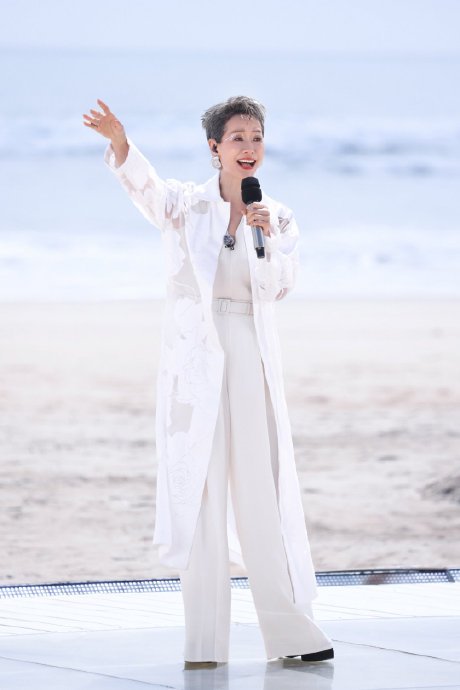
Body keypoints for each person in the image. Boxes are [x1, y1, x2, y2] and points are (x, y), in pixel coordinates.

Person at [82, 96, 334, 665]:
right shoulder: (185, 204)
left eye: (257, 137)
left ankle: (291, 636)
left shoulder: (277, 216)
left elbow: (278, 287)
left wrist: (265, 240)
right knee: (199, 491)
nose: (249, 148)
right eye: (237, 137)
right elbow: (145, 189)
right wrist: (121, 142)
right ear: (215, 147)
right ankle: (204, 645)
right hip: (195, 358)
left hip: (249, 350)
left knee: (260, 494)